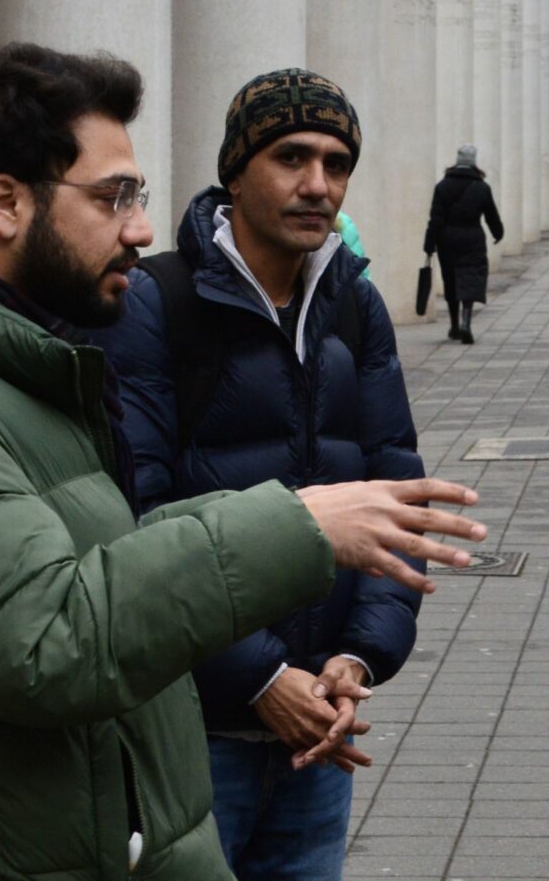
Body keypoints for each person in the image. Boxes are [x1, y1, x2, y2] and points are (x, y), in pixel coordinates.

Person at [0, 44, 484, 881]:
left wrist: (355, 649)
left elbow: (105, 565)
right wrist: (295, 533)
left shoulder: (16, 375)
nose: (140, 227)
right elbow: (46, 640)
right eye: (113, 198)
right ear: (5, 204)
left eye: (135, 196)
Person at [96, 68, 424, 879]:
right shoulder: (155, 302)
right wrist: (263, 677)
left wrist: (360, 659)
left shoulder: (354, 304)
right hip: (194, 729)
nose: (319, 185)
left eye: (337, 163)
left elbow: (395, 494)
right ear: (235, 170)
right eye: (291, 157)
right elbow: (132, 517)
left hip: (321, 727)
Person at [425, 145, 505, 344]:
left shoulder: (442, 186)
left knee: (450, 280)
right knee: (469, 278)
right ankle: (466, 322)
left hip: (447, 239)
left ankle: (453, 325)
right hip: (472, 238)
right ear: (473, 161)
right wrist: (498, 232)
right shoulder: (482, 187)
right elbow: (491, 215)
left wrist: (429, 243)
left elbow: (435, 218)